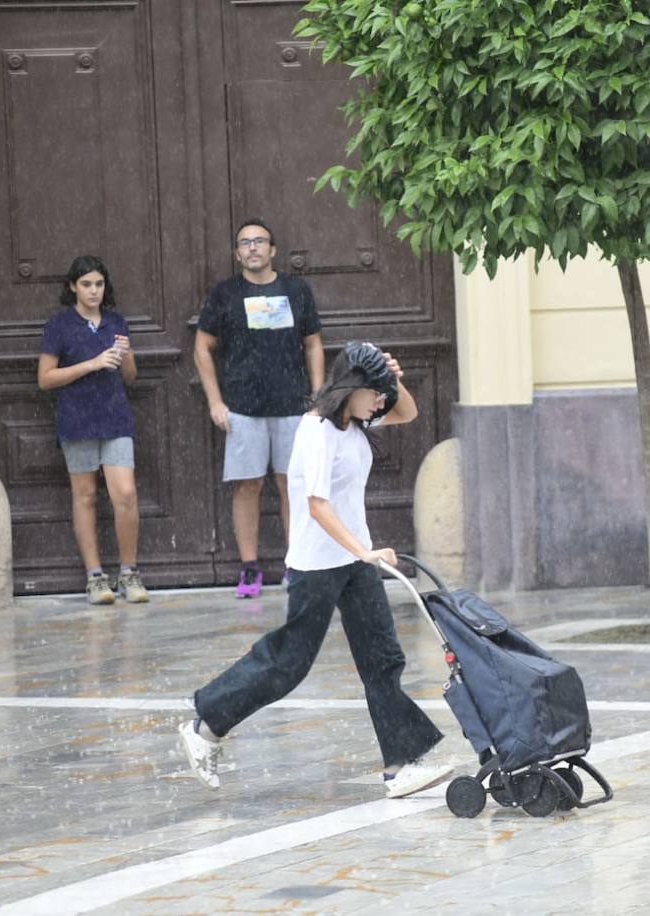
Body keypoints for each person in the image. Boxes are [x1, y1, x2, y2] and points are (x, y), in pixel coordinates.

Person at [178, 343, 454, 798]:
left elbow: (408, 412)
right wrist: (363, 552)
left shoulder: (356, 420)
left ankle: (400, 765)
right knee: (289, 663)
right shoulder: (317, 430)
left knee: (382, 659)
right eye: (375, 393)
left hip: (352, 560)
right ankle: (205, 723)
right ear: (351, 388)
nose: (380, 403)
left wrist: (394, 379)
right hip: (317, 566)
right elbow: (317, 505)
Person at [194, 219, 326, 598]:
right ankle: (249, 568)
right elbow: (202, 347)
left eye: (259, 241)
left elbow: (314, 343)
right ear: (237, 254)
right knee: (247, 487)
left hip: (293, 406)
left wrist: (318, 396)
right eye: (244, 243)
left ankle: (296, 565)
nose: (252, 248)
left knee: (293, 486)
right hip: (243, 408)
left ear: (273, 250)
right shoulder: (224, 294)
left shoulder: (296, 290)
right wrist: (216, 402)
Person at [38, 255, 148, 605]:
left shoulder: (116, 322)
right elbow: (45, 379)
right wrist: (92, 363)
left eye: (99, 284)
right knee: (85, 496)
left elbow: (129, 378)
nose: (93, 291)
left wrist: (126, 356)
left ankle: (129, 572)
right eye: (86, 284)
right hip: (77, 419)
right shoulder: (59, 326)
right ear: (73, 287)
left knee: (125, 494)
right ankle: (95, 577)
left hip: (115, 417)